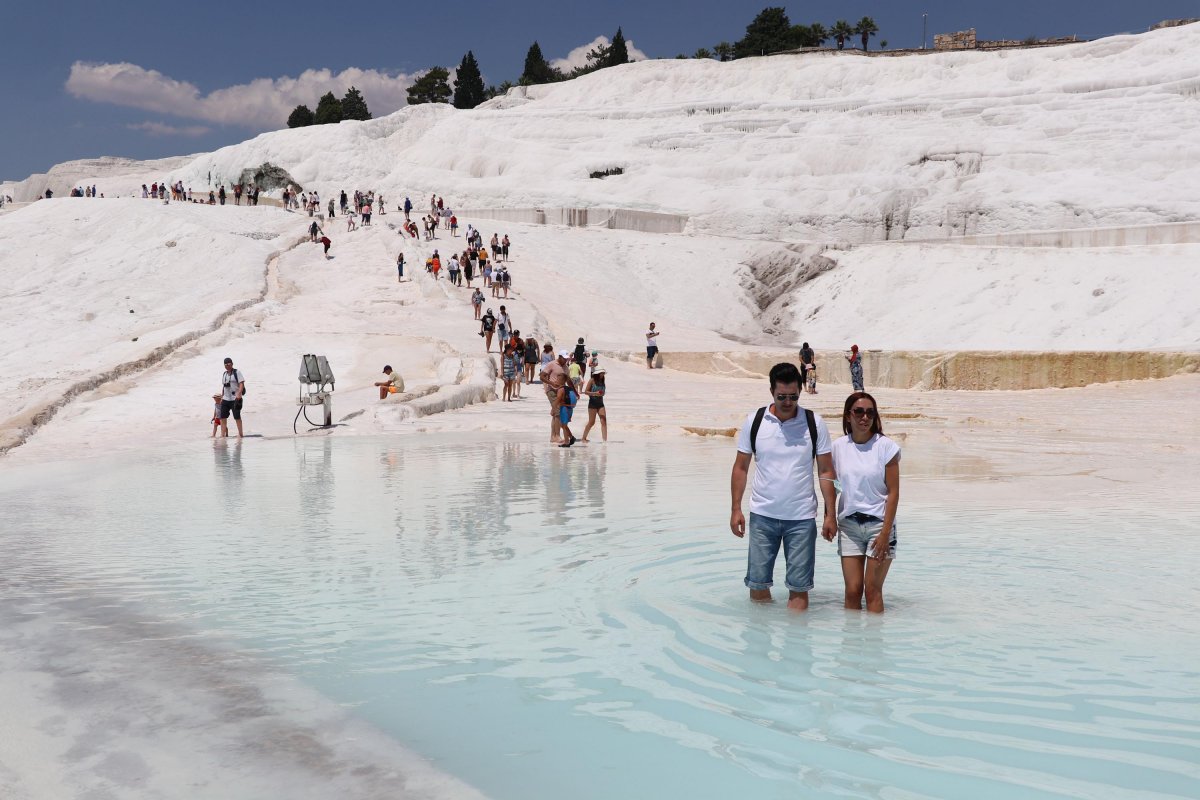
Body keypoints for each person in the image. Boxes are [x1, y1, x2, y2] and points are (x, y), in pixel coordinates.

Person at [729, 363, 837, 611]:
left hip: (801, 519)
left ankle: (796, 644)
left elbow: (826, 470)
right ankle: (759, 642)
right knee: (757, 584)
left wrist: (830, 514)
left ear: (800, 391)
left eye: (793, 397)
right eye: (782, 397)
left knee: (799, 588)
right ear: (771, 391)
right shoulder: (755, 421)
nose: (788, 402)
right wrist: (736, 509)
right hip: (762, 516)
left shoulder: (814, 423)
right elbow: (740, 467)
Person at [831, 392, 900, 613]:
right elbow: (834, 486)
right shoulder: (838, 447)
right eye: (859, 411)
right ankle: (850, 644)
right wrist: (828, 517)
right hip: (848, 526)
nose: (864, 417)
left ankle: (874, 645)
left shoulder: (886, 447)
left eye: (870, 412)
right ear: (848, 415)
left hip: (879, 526)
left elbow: (894, 492)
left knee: (872, 590)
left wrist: (885, 534)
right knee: (852, 591)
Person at [539, 349, 568, 443]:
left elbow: (568, 380)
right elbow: (542, 376)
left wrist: (574, 392)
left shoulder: (566, 367)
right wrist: (552, 383)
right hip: (551, 391)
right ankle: (557, 436)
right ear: (560, 357)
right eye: (564, 358)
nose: (566, 360)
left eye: (567, 359)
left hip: (561, 392)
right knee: (558, 413)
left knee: (556, 414)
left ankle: (553, 436)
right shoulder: (551, 364)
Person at [219, 357, 246, 438]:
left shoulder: (237, 372)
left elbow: (241, 383)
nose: (227, 365)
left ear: (232, 364)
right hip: (225, 398)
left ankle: (240, 434)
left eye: (229, 364)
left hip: (235, 398)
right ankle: (222, 435)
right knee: (222, 417)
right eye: (226, 364)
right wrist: (222, 396)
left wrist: (239, 393)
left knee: (237, 416)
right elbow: (224, 386)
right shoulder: (224, 374)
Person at [580, 368, 607, 443]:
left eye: (603, 373)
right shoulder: (592, 380)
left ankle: (605, 440)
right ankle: (583, 438)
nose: (603, 374)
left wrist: (602, 393)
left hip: (600, 403)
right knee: (592, 422)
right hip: (592, 403)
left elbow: (603, 391)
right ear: (598, 373)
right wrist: (595, 393)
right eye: (602, 373)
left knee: (604, 421)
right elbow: (586, 392)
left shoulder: (602, 380)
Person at [556, 378, 578, 448]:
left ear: (561, 381)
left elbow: (558, 399)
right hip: (570, 408)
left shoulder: (561, 389)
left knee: (564, 425)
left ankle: (566, 442)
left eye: (557, 379)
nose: (556, 381)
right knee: (563, 425)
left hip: (564, 408)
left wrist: (553, 408)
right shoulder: (569, 388)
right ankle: (571, 438)